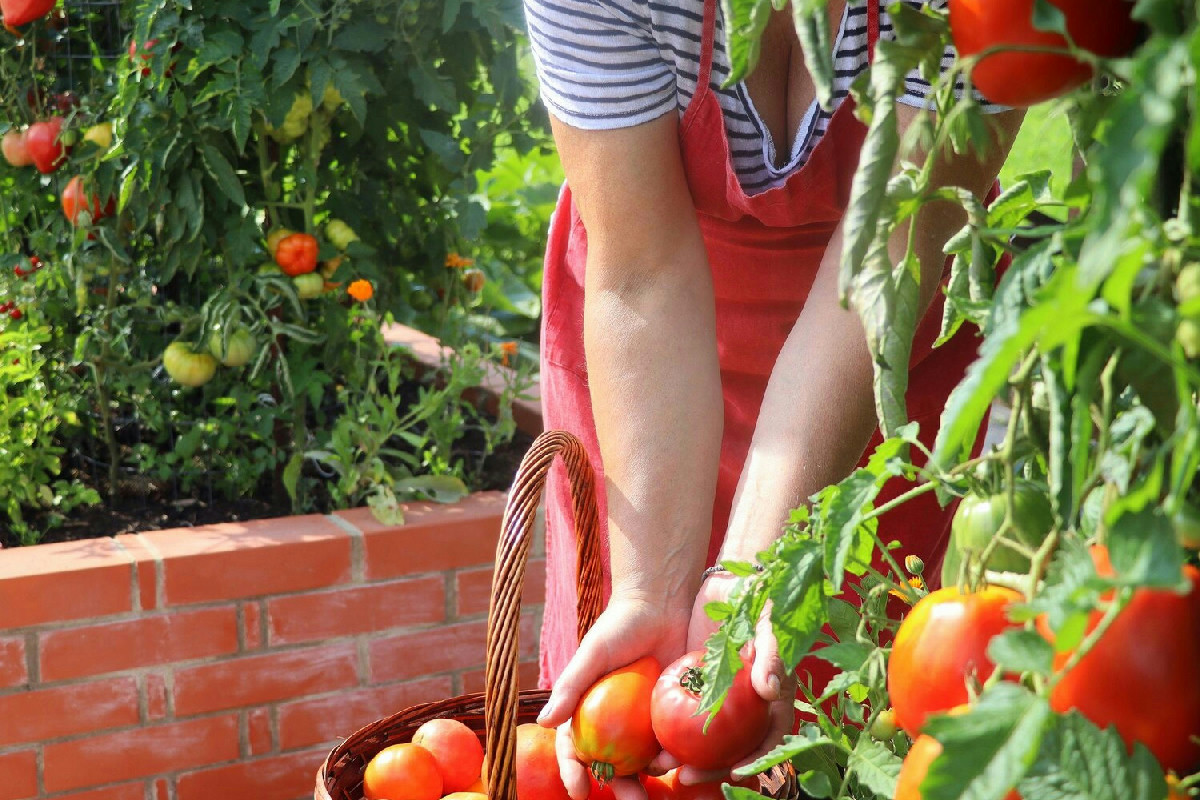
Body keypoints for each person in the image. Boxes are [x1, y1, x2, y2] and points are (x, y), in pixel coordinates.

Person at [521, 0, 1023, 796]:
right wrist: (653, 584)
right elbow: (644, 270)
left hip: (876, 355)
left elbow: (891, 249)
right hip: (647, 363)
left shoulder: (979, 9)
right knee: (626, 678)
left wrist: (753, 575)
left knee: (841, 706)